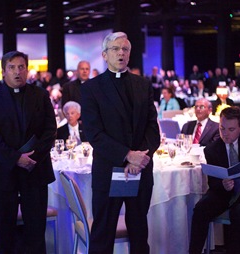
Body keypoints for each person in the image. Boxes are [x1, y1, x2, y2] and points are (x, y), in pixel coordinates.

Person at [81, 32, 160, 254]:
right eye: (116, 49)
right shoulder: (91, 88)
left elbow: (152, 128)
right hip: (108, 170)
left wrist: (140, 158)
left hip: (140, 170)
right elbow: (94, 133)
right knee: (102, 235)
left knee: (139, 233)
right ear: (105, 55)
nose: (121, 53)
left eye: (125, 49)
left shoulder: (143, 85)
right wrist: (128, 155)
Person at [0, 51, 57, 253]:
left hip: (35, 169)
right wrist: (16, 158)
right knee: (5, 229)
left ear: (27, 69)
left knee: (36, 228)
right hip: (4, 171)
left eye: (21, 67)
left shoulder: (40, 95)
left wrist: (32, 157)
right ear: (4, 71)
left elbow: (50, 131)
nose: (17, 72)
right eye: (12, 67)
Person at [189, 106, 240, 254]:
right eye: (222, 128)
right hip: (222, 192)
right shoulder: (211, 149)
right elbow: (212, 182)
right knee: (200, 209)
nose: (225, 134)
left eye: (231, 130)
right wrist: (223, 184)